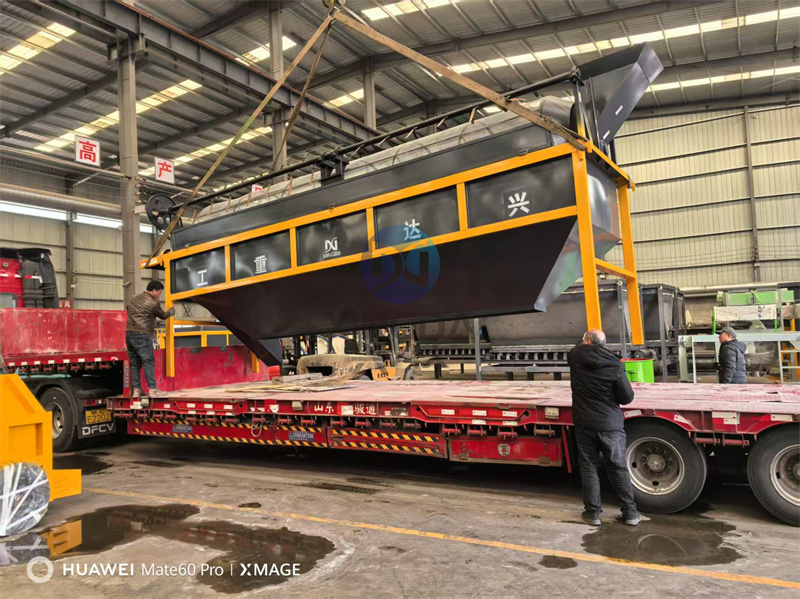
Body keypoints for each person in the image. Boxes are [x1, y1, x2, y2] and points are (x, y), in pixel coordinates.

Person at [567, 329, 640, 527]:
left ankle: (592, 514)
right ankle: (630, 513)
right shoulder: (615, 364)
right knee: (618, 468)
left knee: (589, 467)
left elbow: (577, 348)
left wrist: (584, 340)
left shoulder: (575, 357)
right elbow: (627, 398)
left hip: (584, 424)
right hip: (610, 425)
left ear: (586, 341)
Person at [126, 280, 174, 401]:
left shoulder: (133, 298)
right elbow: (163, 315)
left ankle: (136, 390)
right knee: (148, 362)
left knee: (135, 363)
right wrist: (170, 312)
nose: (159, 295)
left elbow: (130, 311)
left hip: (129, 333)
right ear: (154, 291)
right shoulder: (152, 302)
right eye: (159, 292)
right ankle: (153, 389)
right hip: (143, 334)